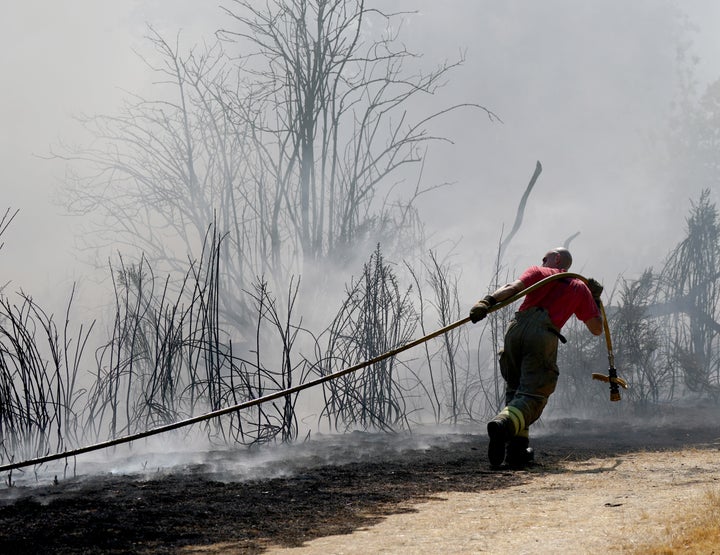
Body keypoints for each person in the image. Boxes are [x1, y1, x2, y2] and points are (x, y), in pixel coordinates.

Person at [469, 247, 604, 468]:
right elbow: (596, 328)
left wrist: (486, 302)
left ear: (557, 259)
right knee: (533, 394)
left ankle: (517, 451)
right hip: (542, 335)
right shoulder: (579, 288)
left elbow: (512, 288)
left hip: (515, 330)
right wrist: (594, 300)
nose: (541, 260)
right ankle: (503, 426)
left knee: (515, 390)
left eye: (545, 257)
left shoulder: (538, 272)